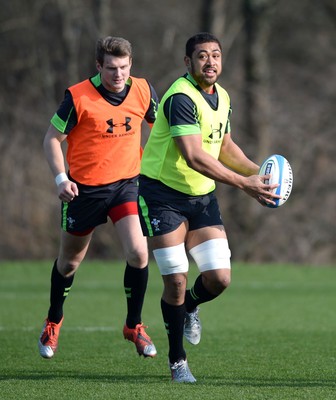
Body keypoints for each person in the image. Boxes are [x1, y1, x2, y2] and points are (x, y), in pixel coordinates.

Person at [137, 32, 281, 382]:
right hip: (162, 195)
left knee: (219, 278)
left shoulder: (223, 96)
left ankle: (189, 307)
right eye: (202, 56)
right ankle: (177, 362)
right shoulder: (180, 98)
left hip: (201, 198)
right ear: (188, 62)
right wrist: (243, 184)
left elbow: (224, 146)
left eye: (216, 55)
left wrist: (257, 171)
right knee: (175, 281)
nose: (211, 61)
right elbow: (195, 156)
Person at [38, 36, 159, 359]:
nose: (118, 74)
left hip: (126, 185)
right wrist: (60, 178)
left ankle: (134, 325)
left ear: (130, 64)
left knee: (138, 252)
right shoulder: (78, 97)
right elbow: (51, 139)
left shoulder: (144, 90)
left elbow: (160, 131)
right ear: (98, 66)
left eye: (123, 67)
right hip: (84, 190)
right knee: (69, 262)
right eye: (111, 68)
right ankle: (53, 321)